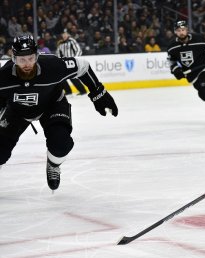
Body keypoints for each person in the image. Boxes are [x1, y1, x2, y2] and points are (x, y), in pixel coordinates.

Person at [0, 34, 118, 191]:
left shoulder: (52, 65)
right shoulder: (3, 77)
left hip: (52, 105)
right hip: (17, 111)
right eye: (22, 60)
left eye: (30, 58)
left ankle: (53, 165)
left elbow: (82, 66)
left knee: (62, 143)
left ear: (37, 55)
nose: (27, 64)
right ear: (14, 58)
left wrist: (98, 93)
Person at [56, 29, 87, 96]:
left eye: (65, 34)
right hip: (64, 63)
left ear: (68, 35)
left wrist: (74, 59)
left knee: (73, 78)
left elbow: (79, 50)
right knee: (61, 78)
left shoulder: (72, 41)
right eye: (63, 34)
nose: (64, 35)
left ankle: (83, 91)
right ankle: (68, 91)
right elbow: (58, 54)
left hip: (72, 62)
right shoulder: (60, 43)